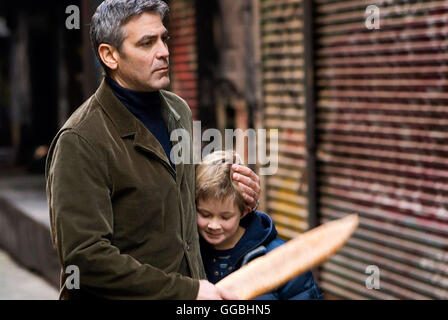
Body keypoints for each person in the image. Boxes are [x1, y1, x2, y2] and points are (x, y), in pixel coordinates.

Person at [45, 0, 260, 300]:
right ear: (110, 55)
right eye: (147, 43)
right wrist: (186, 291)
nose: (164, 51)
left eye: (163, 38)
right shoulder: (80, 140)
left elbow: (186, 208)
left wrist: (238, 197)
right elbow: (86, 259)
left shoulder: (178, 112)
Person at [196, 151, 323, 300]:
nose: (214, 225)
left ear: (244, 211)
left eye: (225, 217)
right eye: (205, 214)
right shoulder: (187, 254)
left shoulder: (280, 258)